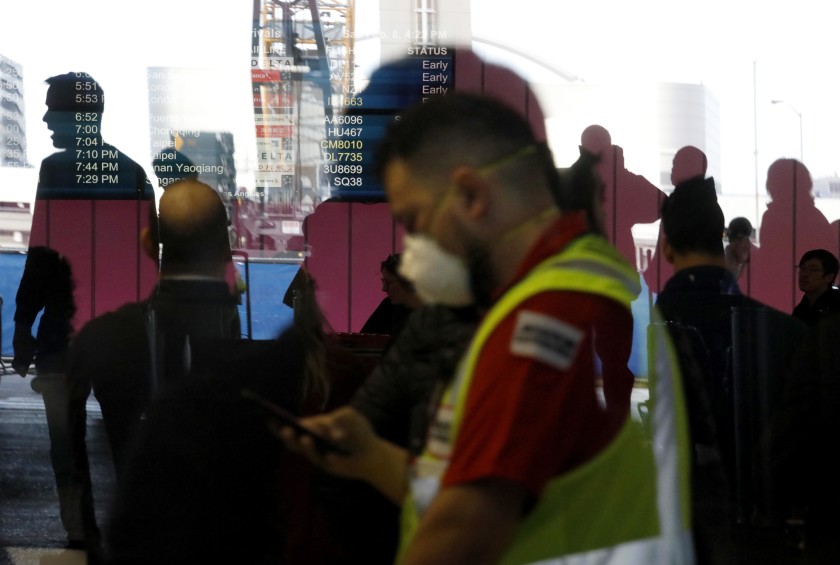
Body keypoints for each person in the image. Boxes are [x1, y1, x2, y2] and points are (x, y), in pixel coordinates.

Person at [281, 92, 693, 563]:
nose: (414, 245)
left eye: (417, 219)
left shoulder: (541, 317)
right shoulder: (536, 292)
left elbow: (466, 523)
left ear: (473, 196)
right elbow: (475, 482)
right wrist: (373, 457)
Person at [66, 179, 241, 554]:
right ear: (227, 249)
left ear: (149, 243)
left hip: (137, 544)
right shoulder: (265, 351)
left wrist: (87, 536)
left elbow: (68, 447)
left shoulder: (104, 336)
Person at [655, 176, 807, 562]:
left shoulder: (651, 331)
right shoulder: (789, 333)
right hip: (768, 535)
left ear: (668, 248)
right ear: (723, 243)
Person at [11, 247, 85, 548]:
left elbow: (34, 283)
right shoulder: (135, 199)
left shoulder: (55, 207)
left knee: (66, 445)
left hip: (60, 345)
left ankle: (78, 527)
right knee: (127, 438)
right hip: (121, 341)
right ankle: (132, 526)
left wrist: (22, 331)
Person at [360, 253, 422, 337]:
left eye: (389, 282)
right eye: (383, 281)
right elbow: (363, 341)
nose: (384, 288)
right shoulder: (388, 306)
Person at [792, 249, 840, 326]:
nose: (804, 274)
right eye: (802, 268)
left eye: (813, 270)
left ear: (829, 277)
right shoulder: (801, 309)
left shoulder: (835, 310)